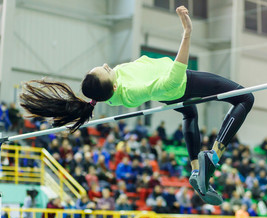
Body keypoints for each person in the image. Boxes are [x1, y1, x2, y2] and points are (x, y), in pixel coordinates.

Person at [19, 6, 254, 206]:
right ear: (111, 86)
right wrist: (187, 33)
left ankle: (197, 171)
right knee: (245, 97)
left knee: (190, 114)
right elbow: (172, 78)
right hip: (180, 83)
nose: (105, 64)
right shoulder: (130, 91)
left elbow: (105, 86)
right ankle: (213, 156)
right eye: (105, 70)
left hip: (169, 92)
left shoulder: (107, 91)